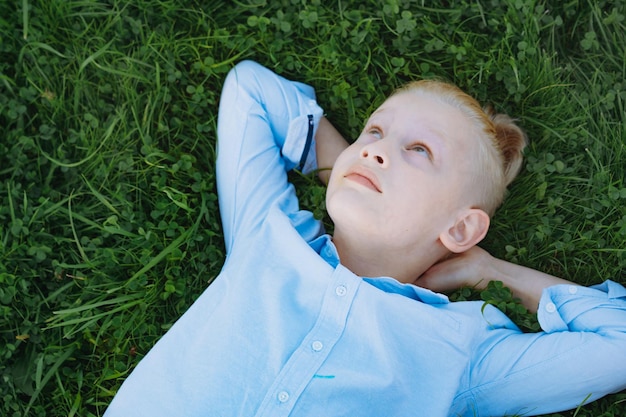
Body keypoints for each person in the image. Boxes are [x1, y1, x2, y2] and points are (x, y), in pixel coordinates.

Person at [103, 60, 626, 417]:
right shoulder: (270, 233)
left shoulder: (459, 350)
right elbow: (251, 89)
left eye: (419, 150)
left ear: (462, 228)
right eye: (374, 132)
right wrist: (346, 172)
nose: (375, 149)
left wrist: (491, 270)